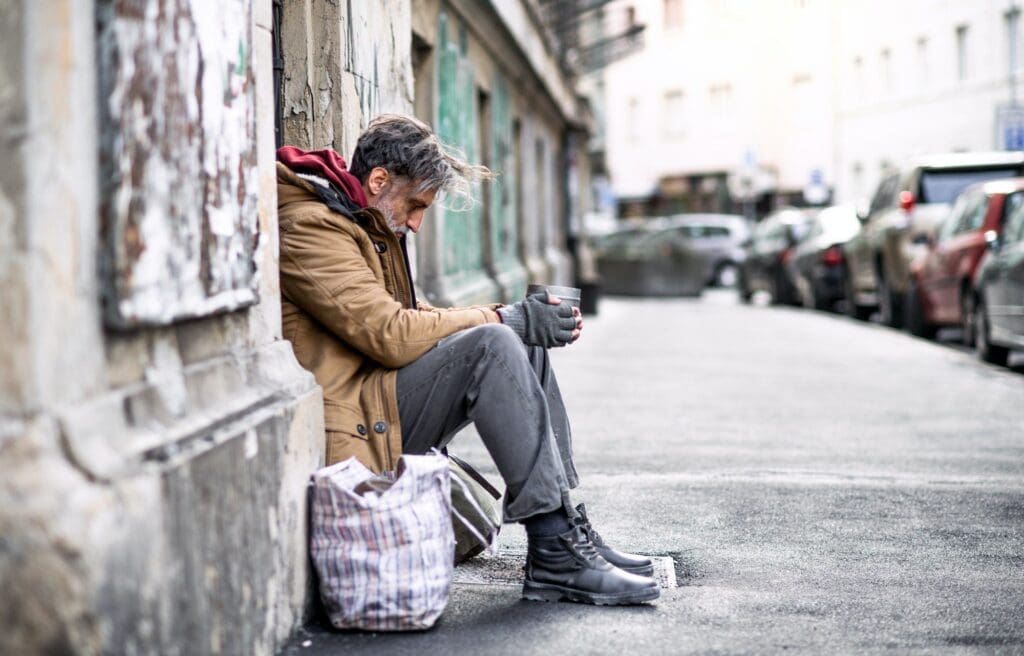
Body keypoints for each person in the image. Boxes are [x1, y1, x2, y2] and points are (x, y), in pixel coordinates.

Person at [276, 114, 658, 606]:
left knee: (519, 340)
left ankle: (565, 529)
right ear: (378, 180)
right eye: (415, 205)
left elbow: (410, 316)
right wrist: (500, 318)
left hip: (381, 399)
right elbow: (389, 334)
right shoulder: (311, 227)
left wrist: (519, 320)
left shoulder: (359, 219)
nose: (416, 222)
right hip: (356, 419)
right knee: (495, 343)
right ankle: (556, 556)